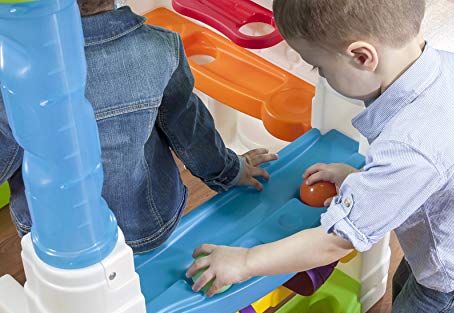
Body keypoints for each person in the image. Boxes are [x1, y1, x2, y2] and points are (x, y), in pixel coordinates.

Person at [187, 0, 454, 313]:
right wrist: (362, 179)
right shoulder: (450, 69)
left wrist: (246, 262)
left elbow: (337, 242)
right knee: (410, 279)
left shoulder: (416, 144)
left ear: (361, 56)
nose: (319, 76)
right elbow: (437, 168)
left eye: (318, 66)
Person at [0, 0, 275, 253]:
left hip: (53, 235)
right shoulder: (159, 48)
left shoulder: (17, 71)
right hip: (143, 220)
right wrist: (229, 170)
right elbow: (190, 132)